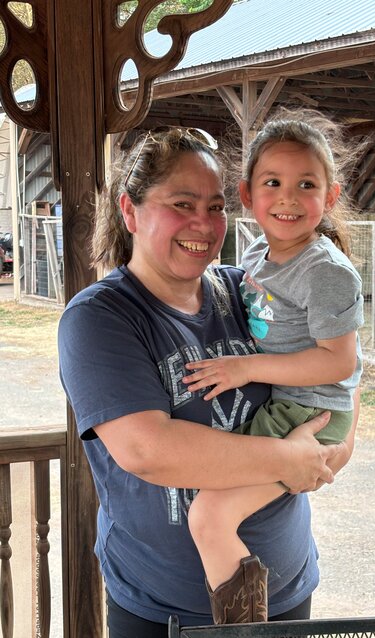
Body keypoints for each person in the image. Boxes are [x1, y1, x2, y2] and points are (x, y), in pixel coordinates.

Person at [58, 127, 358, 638]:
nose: (204, 222)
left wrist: (334, 449)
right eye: (182, 202)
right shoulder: (101, 317)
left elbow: (341, 374)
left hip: (287, 593)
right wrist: (291, 460)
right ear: (130, 212)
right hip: (162, 612)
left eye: (216, 206)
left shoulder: (247, 291)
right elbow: (147, 449)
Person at [182, 110, 363, 624]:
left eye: (306, 184)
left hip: (308, 410)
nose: (287, 197)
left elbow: (339, 361)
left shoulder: (325, 272)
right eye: (273, 182)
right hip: (291, 402)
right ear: (247, 194)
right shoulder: (260, 253)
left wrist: (245, 369)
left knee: (210, 516)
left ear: (329, 198)